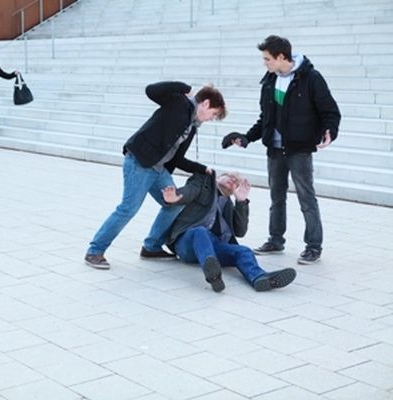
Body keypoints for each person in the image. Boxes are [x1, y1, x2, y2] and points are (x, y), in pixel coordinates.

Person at [222, 35, 341, 265]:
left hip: (299, 150)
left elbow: (330, 111)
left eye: (267, 59)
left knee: (307, 198)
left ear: (281, 57)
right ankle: (276, 240)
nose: (264, 63)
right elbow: (265, 118)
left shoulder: (310, 79)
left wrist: (330, 131)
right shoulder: (270, 80)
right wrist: (246, 138)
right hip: (275, 151)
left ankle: (313, 246)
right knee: (276, 197)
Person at [85, 81, 227, 269]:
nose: (211, 119)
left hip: (158, 170)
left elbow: (177, 159)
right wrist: (186, 88)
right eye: (214, 114)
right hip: (139, 162)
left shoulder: (191, 127)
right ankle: (95, 251)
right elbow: (151, 90)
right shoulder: (179, 104)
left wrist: (203, 169)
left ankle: (151, 247)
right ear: (206, 103)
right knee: (128, 208)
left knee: (174, 203)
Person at [163, 171, 297, 292]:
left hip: (214, 246)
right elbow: (189, 191)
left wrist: (241, 202)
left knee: (244, 251)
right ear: (218, 178)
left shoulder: (228, 205)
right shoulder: (203, 188)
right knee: (200, 231)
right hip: (188, 242)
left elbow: (240, 231)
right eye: (230, 177)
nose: (233, 180)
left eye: (236, 182)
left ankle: (259, 278)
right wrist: (174, 196)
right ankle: (212, 272)